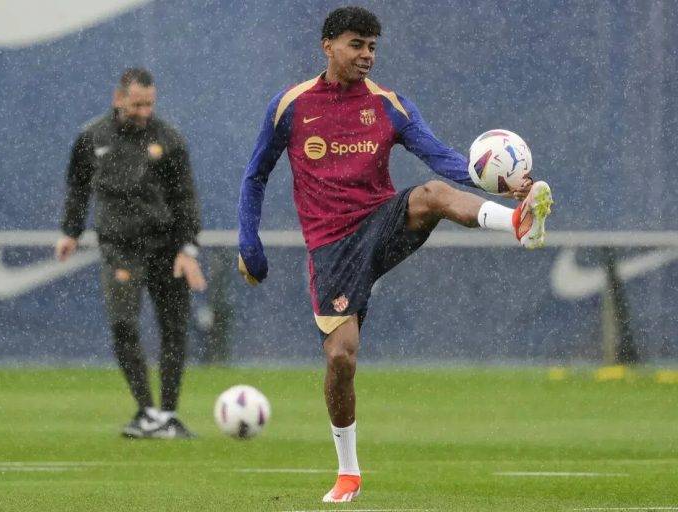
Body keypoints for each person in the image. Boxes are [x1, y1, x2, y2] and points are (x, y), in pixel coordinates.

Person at [237, 6, 553, 503]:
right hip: (331, 247)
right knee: (341, 359)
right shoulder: (291, 105)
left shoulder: (388, 106)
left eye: (372, 47)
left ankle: (516, 223)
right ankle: (348, 471)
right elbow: (255, 175)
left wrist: (504, 183)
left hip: (383, 222)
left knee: (430, 193)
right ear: (328, 45)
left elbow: (441, 156)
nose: (366, 56)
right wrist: (249, 243)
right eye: (356, 45)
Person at [56, 68, 206, 439]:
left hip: (167, 246)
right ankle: (147, 411)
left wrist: (188, 247)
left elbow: (186, 198)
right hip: (120, 248)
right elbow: (77, 187)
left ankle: (168, 414)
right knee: (122, 324)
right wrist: (71, 232)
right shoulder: (92, 137)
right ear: (118, 98)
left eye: (149, 104)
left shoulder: (169, 139)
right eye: (137, 104)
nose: (143, 111)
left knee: (173, 330)